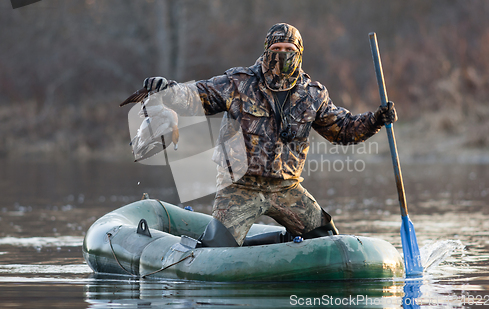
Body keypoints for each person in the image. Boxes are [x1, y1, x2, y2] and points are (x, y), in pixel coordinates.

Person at [121, 23, 397, 247]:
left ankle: (284, 242)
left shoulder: (312, 94)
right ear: (266, 50)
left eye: (289, 49)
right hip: (239, 186)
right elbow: (198, 96)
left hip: (286, 187)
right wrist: (168, 89)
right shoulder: (239, 82)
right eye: (277, 48)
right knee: (217, 252)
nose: (283, 54)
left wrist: (375, 120)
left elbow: (343, 129)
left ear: (299, 53)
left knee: (327, 242)